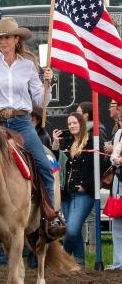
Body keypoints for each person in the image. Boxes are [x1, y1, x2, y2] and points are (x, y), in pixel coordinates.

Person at [0, 17, 59, 210]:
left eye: (7, 37)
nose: (2, 41)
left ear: (16, 39)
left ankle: (50, 215)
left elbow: (41, 101)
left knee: (44, 167)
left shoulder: (28, 65)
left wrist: (48, 83)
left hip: (22, 123)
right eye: (0, 38)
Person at [52, 112, 96, 267]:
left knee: (71, 230)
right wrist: (56, 144)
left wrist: (86, 185)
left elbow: (98, 167)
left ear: (81, 123)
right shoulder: (66, 142)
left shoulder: (91, 142)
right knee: (74, 231)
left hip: (83, 193)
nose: (71, 126)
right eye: (69, 123)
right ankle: (79, 264)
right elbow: (55, 164)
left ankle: (61, 259)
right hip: (66, 193)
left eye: (74, 122)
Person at [108, 114, 122, 270]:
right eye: (120, 120)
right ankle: (118, 262)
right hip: (119, 180)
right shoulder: (119, 133)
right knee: (117, 222)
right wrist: (116, 160)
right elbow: (113, 157)